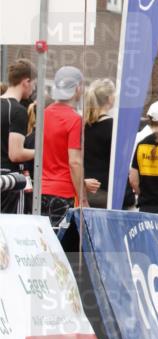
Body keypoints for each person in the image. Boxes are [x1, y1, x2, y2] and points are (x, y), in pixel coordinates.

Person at [41, 66, 100, 227]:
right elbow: (74, 162)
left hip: (41, 190)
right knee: (64, 247)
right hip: (63, 194)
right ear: (78, 89)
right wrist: (83, 198)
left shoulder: (43, 114)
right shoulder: (74, 120)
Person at [0, 59, 36, 213]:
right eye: (34, 83)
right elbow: (15, 154)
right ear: (26, 81)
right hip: (10, 183)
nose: (34, 88)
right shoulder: (18, 110)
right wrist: (41, 153)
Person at [83, 79, 116, 209]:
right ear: (109, 98)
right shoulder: (112, 126)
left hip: (85, 189)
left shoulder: (84, 125)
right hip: (105, 191)